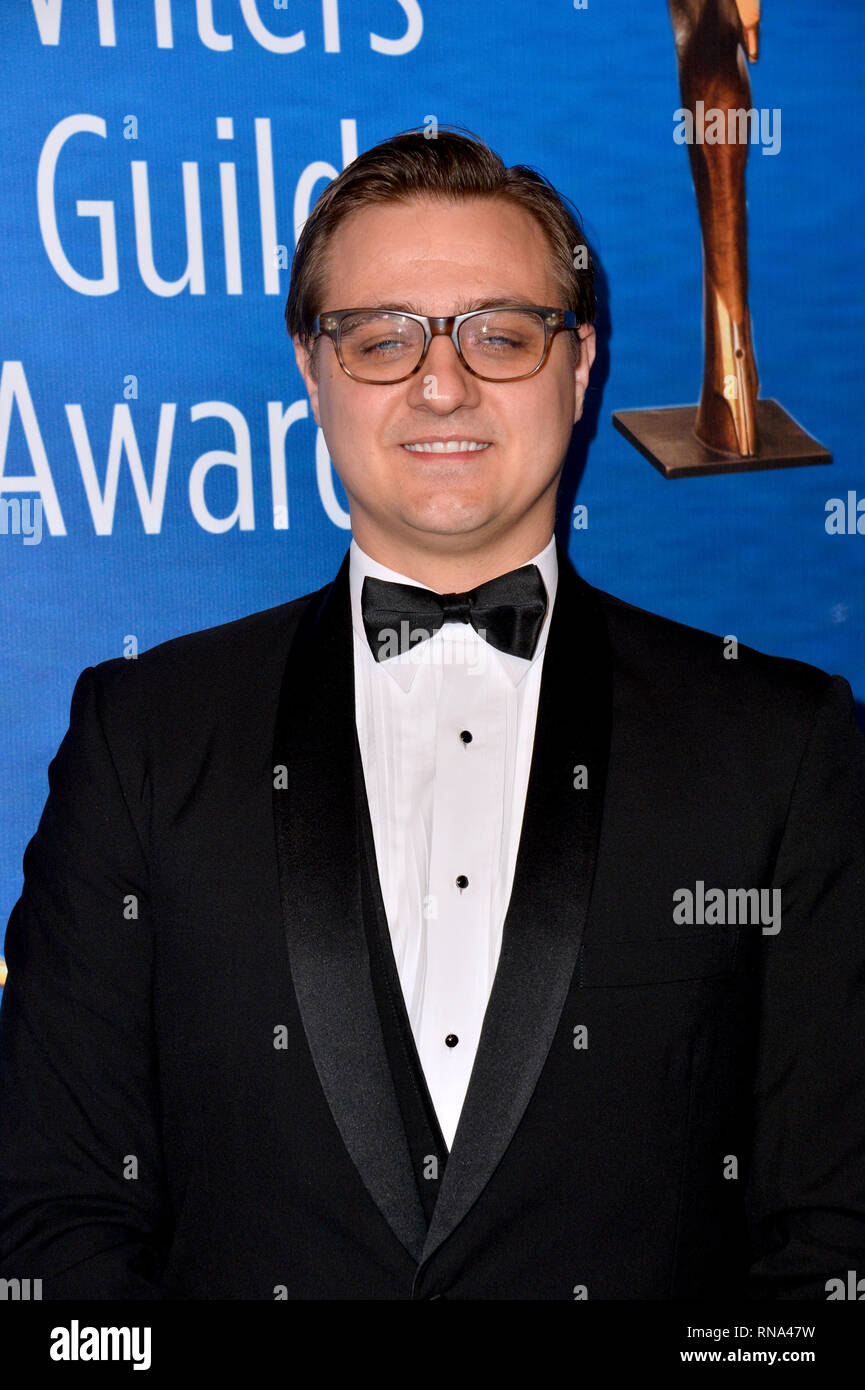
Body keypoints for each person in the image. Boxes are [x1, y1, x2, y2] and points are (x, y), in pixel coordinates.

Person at [1, 127, 864, 1301]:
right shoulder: (142, 737)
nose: (441, 383)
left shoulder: (779, 743)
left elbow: (835, 1226)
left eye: (501, 335)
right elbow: (56, 1212)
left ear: (580, 364)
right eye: (381, 339)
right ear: (312, 370)